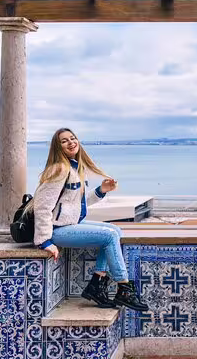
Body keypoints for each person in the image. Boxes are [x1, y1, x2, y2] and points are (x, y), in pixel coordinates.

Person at [29, 127, 148, 311]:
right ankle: (124, 288)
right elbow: (42, 207)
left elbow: (76, 202)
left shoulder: (74, 168)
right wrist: (44, 241)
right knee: (109, 236)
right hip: (58, 230)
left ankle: (97, 284)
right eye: (64, 141)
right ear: (57, 147)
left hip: (70, 223)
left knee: (115, 231)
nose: (71, 142)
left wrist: (101, 191)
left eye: (73, 138)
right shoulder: (59, 169)